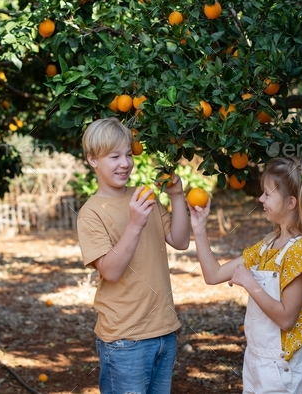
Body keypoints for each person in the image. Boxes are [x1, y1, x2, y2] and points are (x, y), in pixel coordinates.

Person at [189, 157, 302, 394]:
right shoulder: (268, 246)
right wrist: (200, 229)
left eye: (267, 194)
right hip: (255, 360)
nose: (261, 199)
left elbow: (286, 319)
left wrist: (250, 284)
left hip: (281, 367)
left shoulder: (300, 251)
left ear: (291, 202)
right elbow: (213, 275)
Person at [77, 117, 190, 393]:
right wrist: (135, 224)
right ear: (93, 160)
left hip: (164, 332)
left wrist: (177, 196)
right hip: (124, 340)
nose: (125, 163)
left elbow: (181, 240)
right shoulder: (91, 213)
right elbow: (111, 271)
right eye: (114, 156)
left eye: (128, 154)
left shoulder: (143, 196)